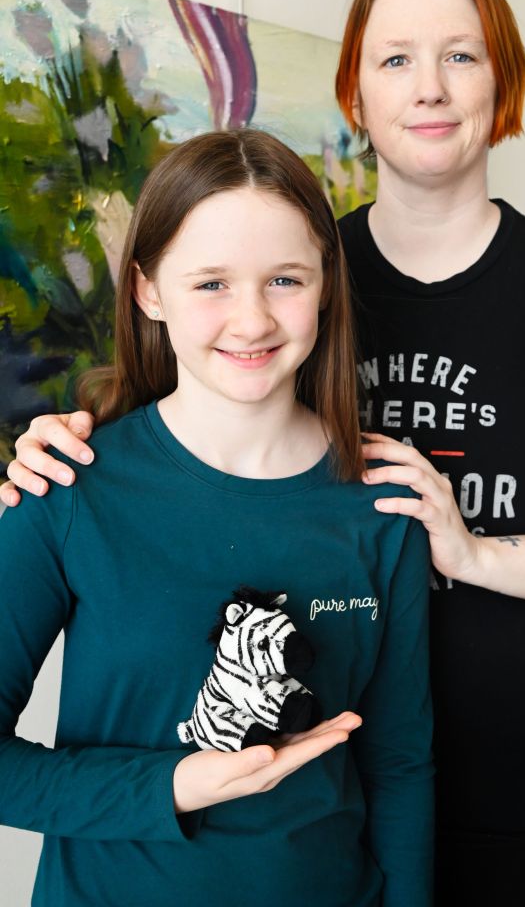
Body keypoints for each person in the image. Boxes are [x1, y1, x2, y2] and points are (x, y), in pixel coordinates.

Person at [4, 0, 525, 907]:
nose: (431, 87)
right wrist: (50, 450)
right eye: (395, 58)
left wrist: (472, 549)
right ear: (354, 95)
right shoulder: (281, 253)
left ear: (506, 81)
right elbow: (176, 404)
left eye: (463, 54)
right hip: (299, 814)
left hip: (521, 784)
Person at [0, 129, 433, 907]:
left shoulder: (383, 503)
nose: (253, 320)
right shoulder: (68, 489)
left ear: (327, 283)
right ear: (149, 291)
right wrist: (170, 785)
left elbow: (399, 762)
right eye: (211, 284)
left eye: (285, 280)